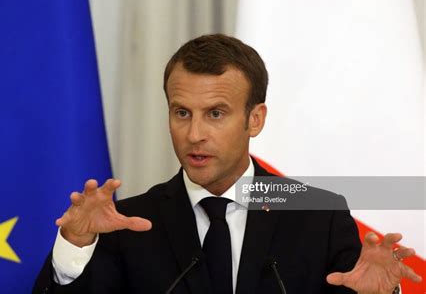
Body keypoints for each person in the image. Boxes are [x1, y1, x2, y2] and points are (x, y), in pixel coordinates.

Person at [33, 34, 421, 294]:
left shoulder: (318, 214)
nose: (194, 134)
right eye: (182, 112)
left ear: (255, 119)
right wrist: (74, 247)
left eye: (216, 114)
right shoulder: (129, 223)